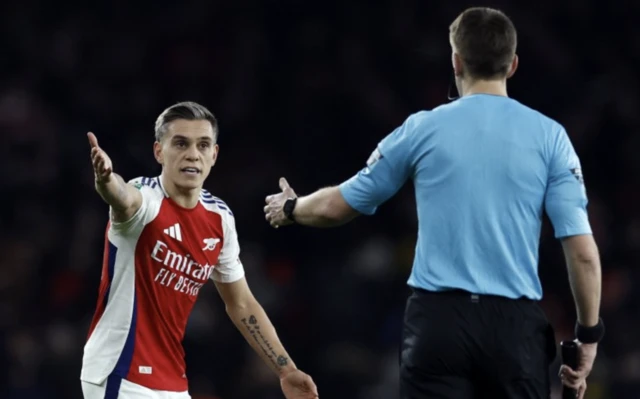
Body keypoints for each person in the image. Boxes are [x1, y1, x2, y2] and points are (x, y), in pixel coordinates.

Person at [263, 7, 604, 399]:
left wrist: (292, 208)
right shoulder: (552, 138)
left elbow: (337, 206)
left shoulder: (421, 128)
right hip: (514, 330)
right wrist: (588, 336)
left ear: (456, 60)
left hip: (438, 326)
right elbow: (583, 256)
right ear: (512, 65)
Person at [81, 101, 319, 399]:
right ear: (159, 151)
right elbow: (122, 197)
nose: (192, 154)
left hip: (172, 378)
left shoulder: (220, 219)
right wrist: (105, 181)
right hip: (120, 370)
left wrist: (286, 369)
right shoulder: (145, 198)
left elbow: (241, 303)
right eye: (180, 143)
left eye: (203, 145)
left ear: (214, 154)